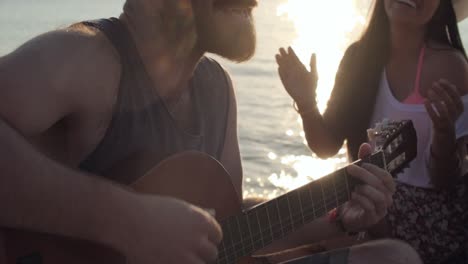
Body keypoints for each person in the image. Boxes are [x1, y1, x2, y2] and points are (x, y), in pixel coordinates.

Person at [0, 0, 421, 263]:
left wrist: (337, 217)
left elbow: (230, 234)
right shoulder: (87, 58)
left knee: (393, 257)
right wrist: (126, 221)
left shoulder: (216, 89)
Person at [276, 0, 468, 263]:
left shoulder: (451, 66)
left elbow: (447, 178)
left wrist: (444, 131)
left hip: (433, 220)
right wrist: (307, 103)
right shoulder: (358, 58)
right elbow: (326, 147)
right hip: (369, 206)